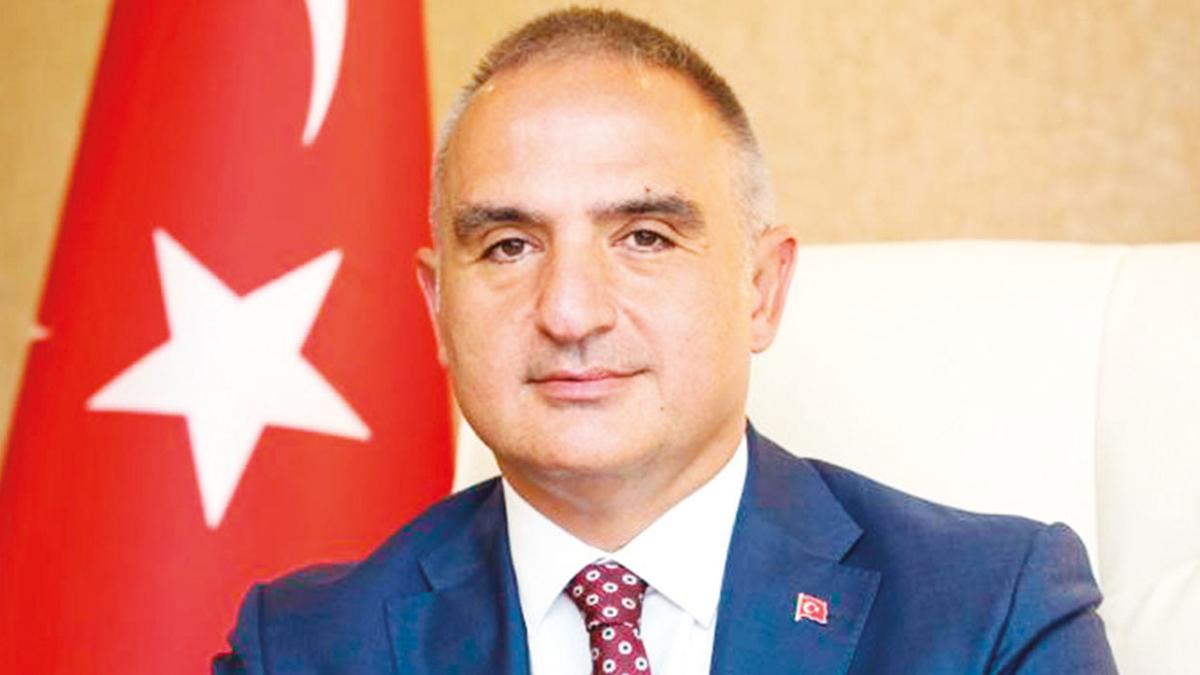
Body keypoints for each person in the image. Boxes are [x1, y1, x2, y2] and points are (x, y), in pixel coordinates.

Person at [214, 8, 1117, 674]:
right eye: (509, 245)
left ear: (761, 288)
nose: (571, 312)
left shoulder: (991, 610)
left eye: (644, 237)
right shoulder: (300, 647)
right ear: (438, 306)